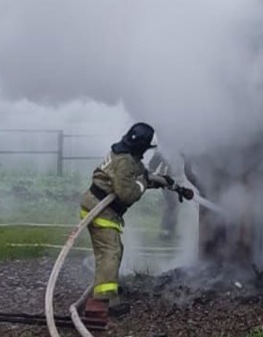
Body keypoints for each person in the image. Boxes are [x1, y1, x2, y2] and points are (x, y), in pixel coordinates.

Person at [78, 122, 193, 324]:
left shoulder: (124, 154)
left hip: (98, 207)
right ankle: (103, 301)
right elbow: (127, 194)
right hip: (101, 212)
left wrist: (165, 182)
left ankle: (106, 286)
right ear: (141, 146)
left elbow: (142, 175)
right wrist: (143, 182)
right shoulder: (125, 163)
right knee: (111, 252)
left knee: (113, 250)